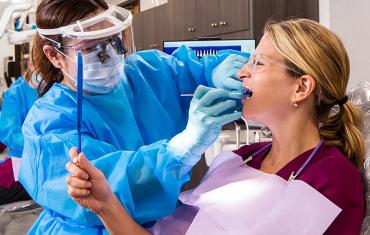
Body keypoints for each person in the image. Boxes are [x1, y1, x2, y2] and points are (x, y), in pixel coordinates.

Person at [66, 19, 365, 235]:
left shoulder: (332, 181)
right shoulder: (242, 157)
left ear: (301, 88)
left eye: (258, 63)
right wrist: (104, 202)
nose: (242, 72)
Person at [19, 0, 247, 234]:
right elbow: (108, 190)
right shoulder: (48, 123)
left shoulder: (147, 71)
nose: (107, 56)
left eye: (111, 40)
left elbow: (198, 69)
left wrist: (219, 70)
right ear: (54, 56)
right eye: (89, 48)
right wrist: (179, 151)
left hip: (162, 222)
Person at [0, 65, 38, 205]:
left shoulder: (59, 89)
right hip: (22, 158)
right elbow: (8, 130)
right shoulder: (16, 92)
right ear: (31, 64)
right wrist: (37, 147)